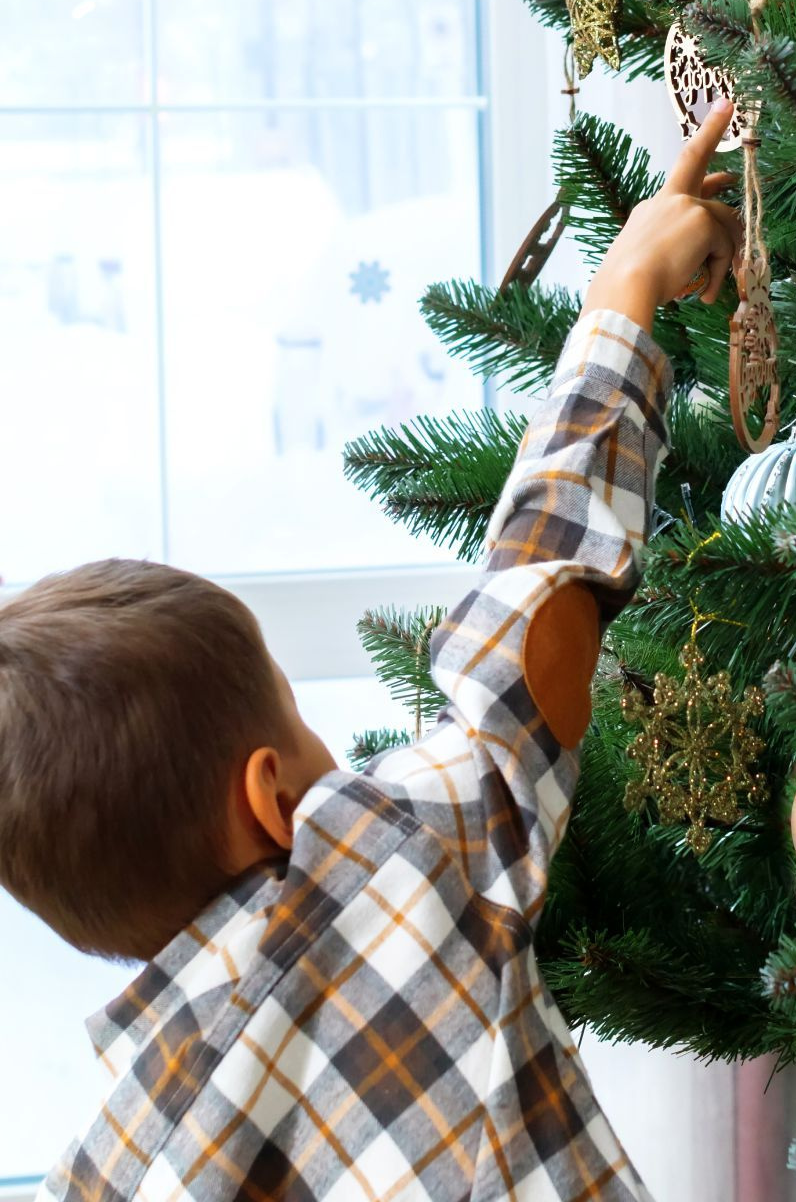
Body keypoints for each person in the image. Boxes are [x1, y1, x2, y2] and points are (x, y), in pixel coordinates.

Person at [2, 100, 741, 1202]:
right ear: (270, 798)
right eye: (302, 725)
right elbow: (530, 615)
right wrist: (625, 295)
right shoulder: (386, 870)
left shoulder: (110, 1166)